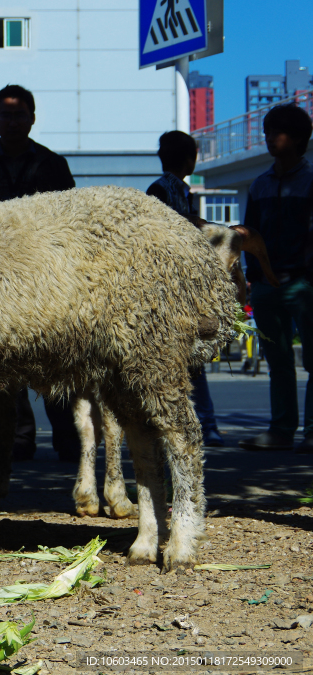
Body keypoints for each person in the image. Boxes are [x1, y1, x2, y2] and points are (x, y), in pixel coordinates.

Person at [0, 84, 81, 465]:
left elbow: (72, 222)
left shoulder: (53, 163)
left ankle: (68, 438)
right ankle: (19, 440)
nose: (12, 121)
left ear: (32, 118)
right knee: (6, 362)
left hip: (47, 278)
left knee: (58, 358)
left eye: (19, 114)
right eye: (4, 115)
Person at [238, 104, 313, 453]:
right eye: (266, 132)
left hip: (305, 285)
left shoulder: (312, 181)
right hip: (266, 286)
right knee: (278, 362)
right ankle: (281, 430)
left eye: (276, 132)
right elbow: (248, 235)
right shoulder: (259, 185)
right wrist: (253, 277)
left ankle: (311, 432)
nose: (268, 139)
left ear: (297, 138)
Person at [145, 130, 225, 447]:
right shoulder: (165, 190)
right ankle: (204, 424)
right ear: (191, 156)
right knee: (188, 359)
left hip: (171, 288)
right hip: (176, 289)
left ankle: (191, 424)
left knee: (182, 359)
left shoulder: (168, 188)